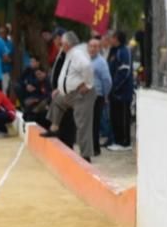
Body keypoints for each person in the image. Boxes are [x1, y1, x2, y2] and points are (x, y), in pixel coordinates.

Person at [42, 31, 96, 162]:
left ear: (67, 44)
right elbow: (68, 74)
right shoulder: (69, 53)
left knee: (82, 124)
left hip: (82, 94)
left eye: (61, 43)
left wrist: (88, 85)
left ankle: (86, 155)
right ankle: (54, 128)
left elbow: (87, 66)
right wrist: (59, 89)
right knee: (57, 101)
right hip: (68, 93)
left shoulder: (77, 53)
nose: (60, 45)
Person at [108, 30, 135, 151]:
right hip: (113, 92)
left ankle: (125, 142)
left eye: (112, 37)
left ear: (117, 38)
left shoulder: (124, 51)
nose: (110, 39)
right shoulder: (113, 51)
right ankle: (118, 141)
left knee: (123, 117)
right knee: (115, 117)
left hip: (123, 93)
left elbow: (125, 72)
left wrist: (114, 86)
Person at [88, 37, 112, 156]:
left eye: (95, 46)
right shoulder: (87, 60)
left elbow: (107, 80)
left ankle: (95, 149)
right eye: (91, 46)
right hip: (86, 96)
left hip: (97, 96)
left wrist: (105, 94)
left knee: (95, 123)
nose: (92, 48)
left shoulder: (101, 62)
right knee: (88, 122)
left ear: (99, 48)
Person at [20, 58, 51, 124]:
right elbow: (37, 92)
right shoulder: (39, 82)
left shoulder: (48, 82)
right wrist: (31, 99)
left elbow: (48, 95)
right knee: (27, 110)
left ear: (44, 73)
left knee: (33, 112)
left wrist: (36, 100)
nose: (38, 76)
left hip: (46, 102)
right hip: (39, 100)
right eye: (37, 75)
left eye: (39, 74)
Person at [0, 24, 15, 95]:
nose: (1, 35)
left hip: (5, 71)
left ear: (7, 33)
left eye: (3, 33)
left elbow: (7, 58)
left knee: (3, 91)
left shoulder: (10, 44)